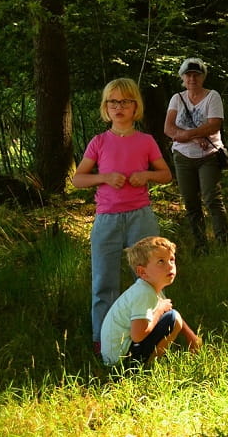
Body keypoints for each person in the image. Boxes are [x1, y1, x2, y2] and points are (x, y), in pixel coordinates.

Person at [72, 78, 173, 353]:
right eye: (112, 102)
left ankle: (156, 334)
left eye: (125, 102)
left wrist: (147, 175)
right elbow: (78, 179)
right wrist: (103, 177)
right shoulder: (99, 142)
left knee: (151, 277)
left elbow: (166, 175)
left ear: (134, 106)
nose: (119, 107)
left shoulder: (146, 141)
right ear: (106, 107)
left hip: (141, 216)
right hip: (107, 219)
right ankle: (103, 339)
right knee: (104, 280)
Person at [100, 236, 202, 366]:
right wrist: (159, 310)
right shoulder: (144, 293)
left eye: (172, 260)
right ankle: (146, 367)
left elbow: (168, 311)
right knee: (173, 318)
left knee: (172, 316)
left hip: (123, 355)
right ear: (142, 272)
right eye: (161, 261)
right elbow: (138, 335)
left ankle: (146, 362)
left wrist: (192, 338)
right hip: (122, 362)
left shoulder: (150, 289)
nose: (170, 266)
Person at [164, 58, 228, 254]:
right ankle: (201, 246)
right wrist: (194, 137)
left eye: (196, 74)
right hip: (183, 157)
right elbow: (168, 128)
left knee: (212, 199)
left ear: (203, 77)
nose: (192, 78)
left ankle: (224, 244)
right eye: (188, 74)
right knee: (191, 203)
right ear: (182, 77)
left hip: (209, 155)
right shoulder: (177, 98)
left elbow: (214, 125)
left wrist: (186, 134)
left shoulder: (212, 97)